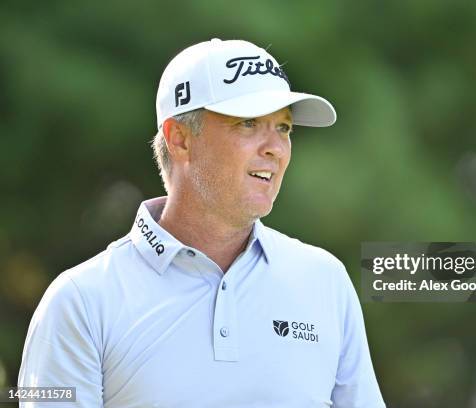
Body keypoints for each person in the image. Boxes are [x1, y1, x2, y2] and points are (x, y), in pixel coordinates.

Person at [18, 38, 385, 408]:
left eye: (284, 128)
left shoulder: (325, 281)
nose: (276, 148)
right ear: (179, 139)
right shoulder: (80, 302)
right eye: (248, 123)